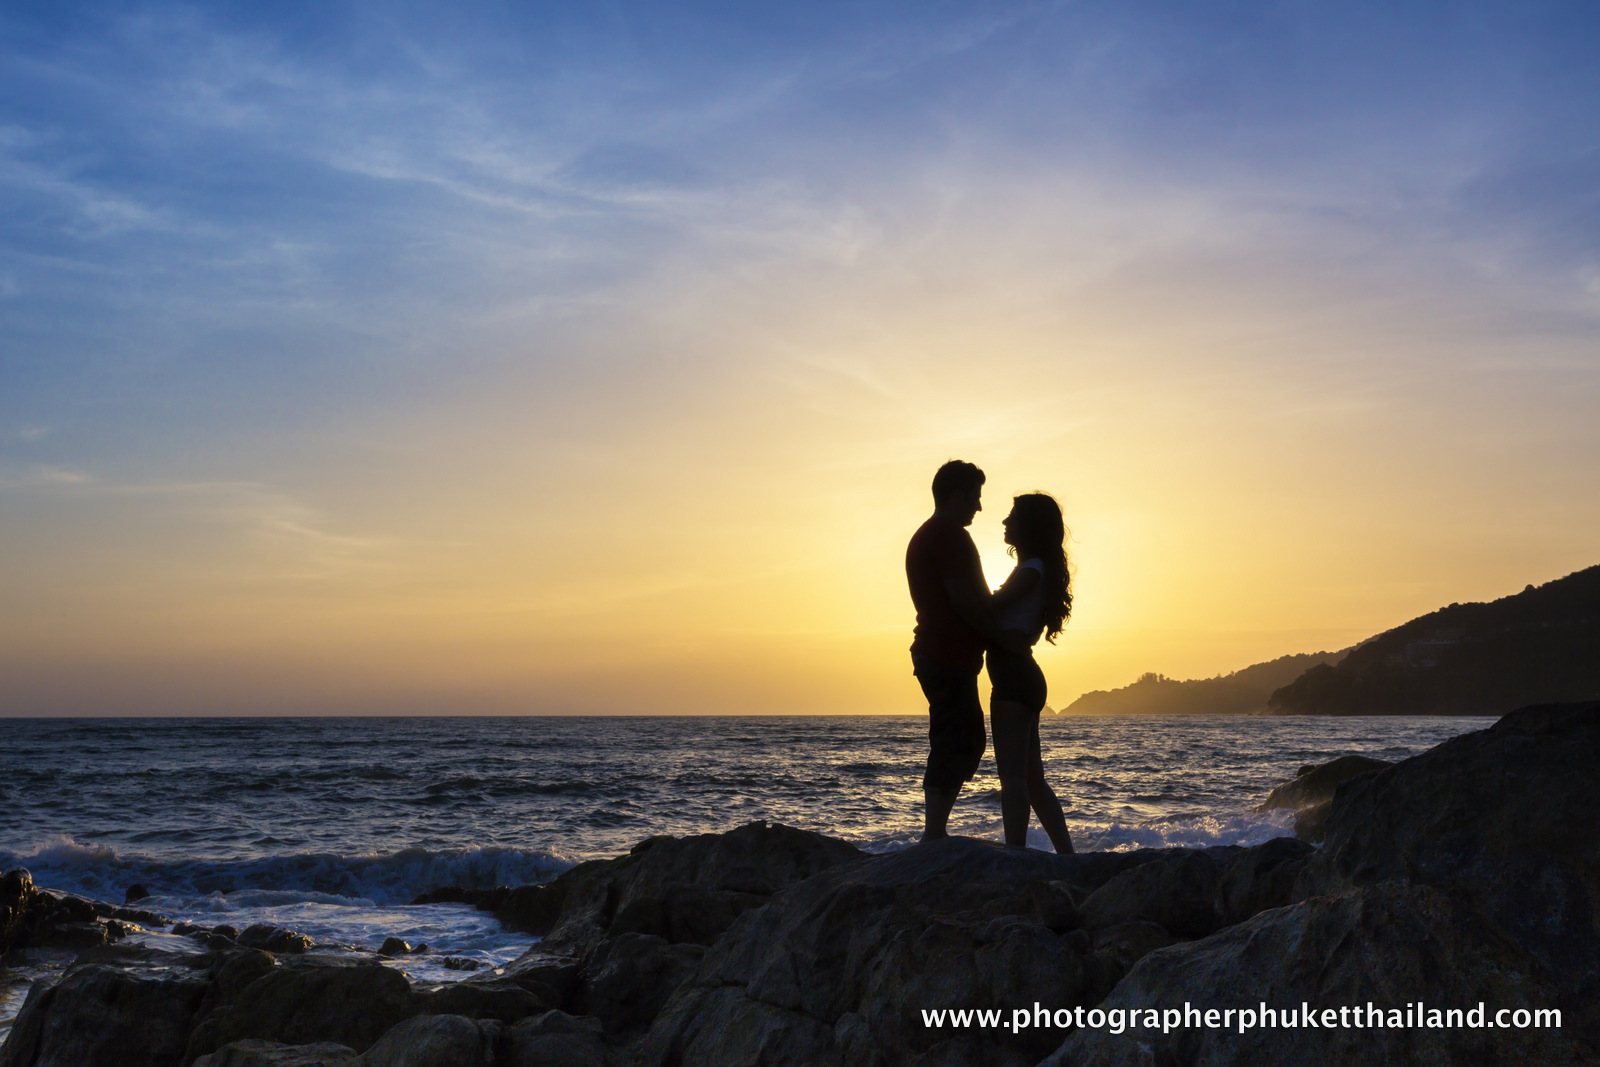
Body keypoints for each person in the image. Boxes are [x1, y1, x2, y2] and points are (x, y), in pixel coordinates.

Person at [906, 460, 994, 842]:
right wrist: (1000, 635)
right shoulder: (948, 535)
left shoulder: (931, 534)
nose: (978, 506)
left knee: (962, 736)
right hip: (945, 655)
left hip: (943, 654)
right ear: (957, 495)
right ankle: (934, 833)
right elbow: (966, 600)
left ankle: (935, 830)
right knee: (955, 738)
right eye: (975, 497)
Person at [986, 492, 1075, 852]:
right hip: (1022, 675)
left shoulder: (1031, 570)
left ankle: (1015, 857)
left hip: (1013, 677)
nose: (1005, 522)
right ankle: (1068, 856)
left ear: (1031, 527)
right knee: (1033, 781)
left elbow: (990, 608)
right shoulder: (1035, 567)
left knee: (1013, 779)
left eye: (1013, 517)